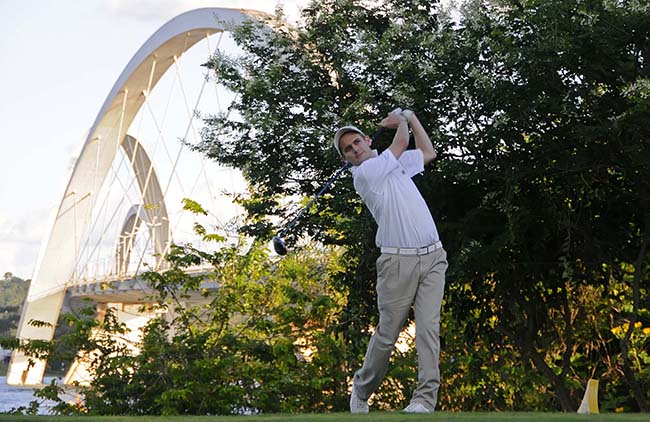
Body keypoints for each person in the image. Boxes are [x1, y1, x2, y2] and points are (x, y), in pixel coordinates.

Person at [333, 108, 448, 414]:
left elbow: (427, 152)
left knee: (427, 330)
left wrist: (411, 117)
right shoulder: (365, 175)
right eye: (348, 149)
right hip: (398, 264)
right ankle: (361, 388)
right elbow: (399, 144)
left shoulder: (393, 166)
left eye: (357, 141)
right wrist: (403, 119)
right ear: (347, 160)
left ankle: (424, 400)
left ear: (368, 140)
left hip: (434, 257)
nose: (355, 148)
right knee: (387, 334)